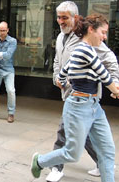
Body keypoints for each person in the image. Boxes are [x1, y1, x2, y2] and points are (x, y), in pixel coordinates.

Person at [31, 14, 119, 182]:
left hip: (94, 106)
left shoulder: (84, 51)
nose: (105, 36)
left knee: (107, 152)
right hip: (79, 107)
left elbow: (63, 73)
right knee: (72, 153)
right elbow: (103, 74)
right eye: (103, 32)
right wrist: (115, 90)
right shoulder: (84, 49)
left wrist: (63, 80)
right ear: (91, 30)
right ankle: (40, 161)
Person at [0, 21, 17, 123]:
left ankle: (11, 113)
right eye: (0, 30)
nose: (2, 33)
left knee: (11, 91)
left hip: (8, 70)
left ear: (8, 30)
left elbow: (8, 55)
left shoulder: (12, 41)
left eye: (4, 30)